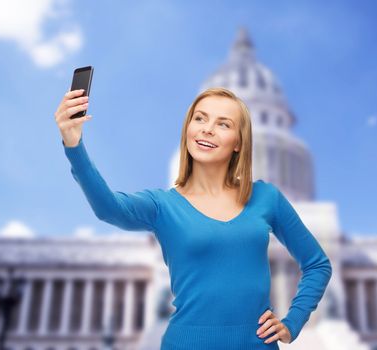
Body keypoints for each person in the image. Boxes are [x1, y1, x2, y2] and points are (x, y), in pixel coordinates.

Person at [54, 87, 332, 350]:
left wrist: (292, 322)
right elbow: (109, 208)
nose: (207, 129)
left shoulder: (266, 197)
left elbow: (317, 264)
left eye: (223, 124)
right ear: (188, 128)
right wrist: (74, 145)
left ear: (239, 142)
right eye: (200, 118)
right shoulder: (163, 204)